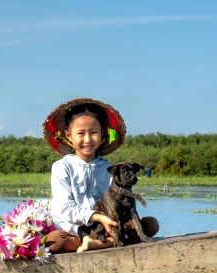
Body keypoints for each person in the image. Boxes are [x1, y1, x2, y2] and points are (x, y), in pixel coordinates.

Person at [42, 98, 158, 253]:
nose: (88, 140)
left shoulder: (109, 168)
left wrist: (128, 218)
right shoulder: (62, 167)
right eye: (81, 133)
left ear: (102, 134)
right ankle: (97, 242)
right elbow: (65, 208)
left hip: (106, 227)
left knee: (151, 225)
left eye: (94, 132)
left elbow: (119, 199)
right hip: (73, 229)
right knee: (53, 241)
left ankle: (95, 244)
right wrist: (97, 217)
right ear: (68, 135)